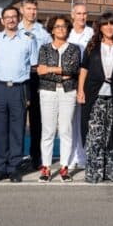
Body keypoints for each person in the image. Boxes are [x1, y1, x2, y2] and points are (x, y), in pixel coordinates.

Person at [78, 13, 113, 183]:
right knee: (95, 134)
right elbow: (84, 69)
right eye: (105, 24)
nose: (109, 27)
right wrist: (80, 90)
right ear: (100, 27)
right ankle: (94, 172)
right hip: (95, 95)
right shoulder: (92, 46)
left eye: (112, 24)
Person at [0, 6, 38, 182]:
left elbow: (33, 64)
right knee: (0, 130)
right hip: (0, 88)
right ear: (2, 21)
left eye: (13, 17)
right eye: (7, 17)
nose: (10, 20)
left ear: (18, 18)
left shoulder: (28, 39)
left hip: (19, 88)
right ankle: (1, 168)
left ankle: (15, 167)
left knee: (17, 130)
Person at [36, 15, 81, 182]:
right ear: (52, 30)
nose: (61, 29)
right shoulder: (44, 48)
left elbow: (73, 69)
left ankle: (64, 167)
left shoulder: (74, 49)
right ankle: (46, 168)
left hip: (68, 93)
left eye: (64, 26)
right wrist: (63, 74)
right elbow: (41, 72)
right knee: (48, 131)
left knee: (65, 130)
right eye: (57, 26)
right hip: (48, 92)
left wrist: (51, 69)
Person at [19, 0, 51, 171]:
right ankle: (15, 157)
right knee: (18, 119)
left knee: (37, 120)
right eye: (29, 8)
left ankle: (36, 157)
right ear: (22, 10)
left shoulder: (43, 33)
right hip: (19, 77)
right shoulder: (14, 29)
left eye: (34, 9)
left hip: (37, 76)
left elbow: (47, 54)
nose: (32, 12)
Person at [66, 3, 94, 170]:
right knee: (68, 120)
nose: (82, 17)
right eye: (79, 13)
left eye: (84, 13)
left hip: (88, 82)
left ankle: (82, 156)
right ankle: (69, 157)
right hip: (69, 81)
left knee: (84, 120)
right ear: (73, 15)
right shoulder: (66, 33)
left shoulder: (92, 34)